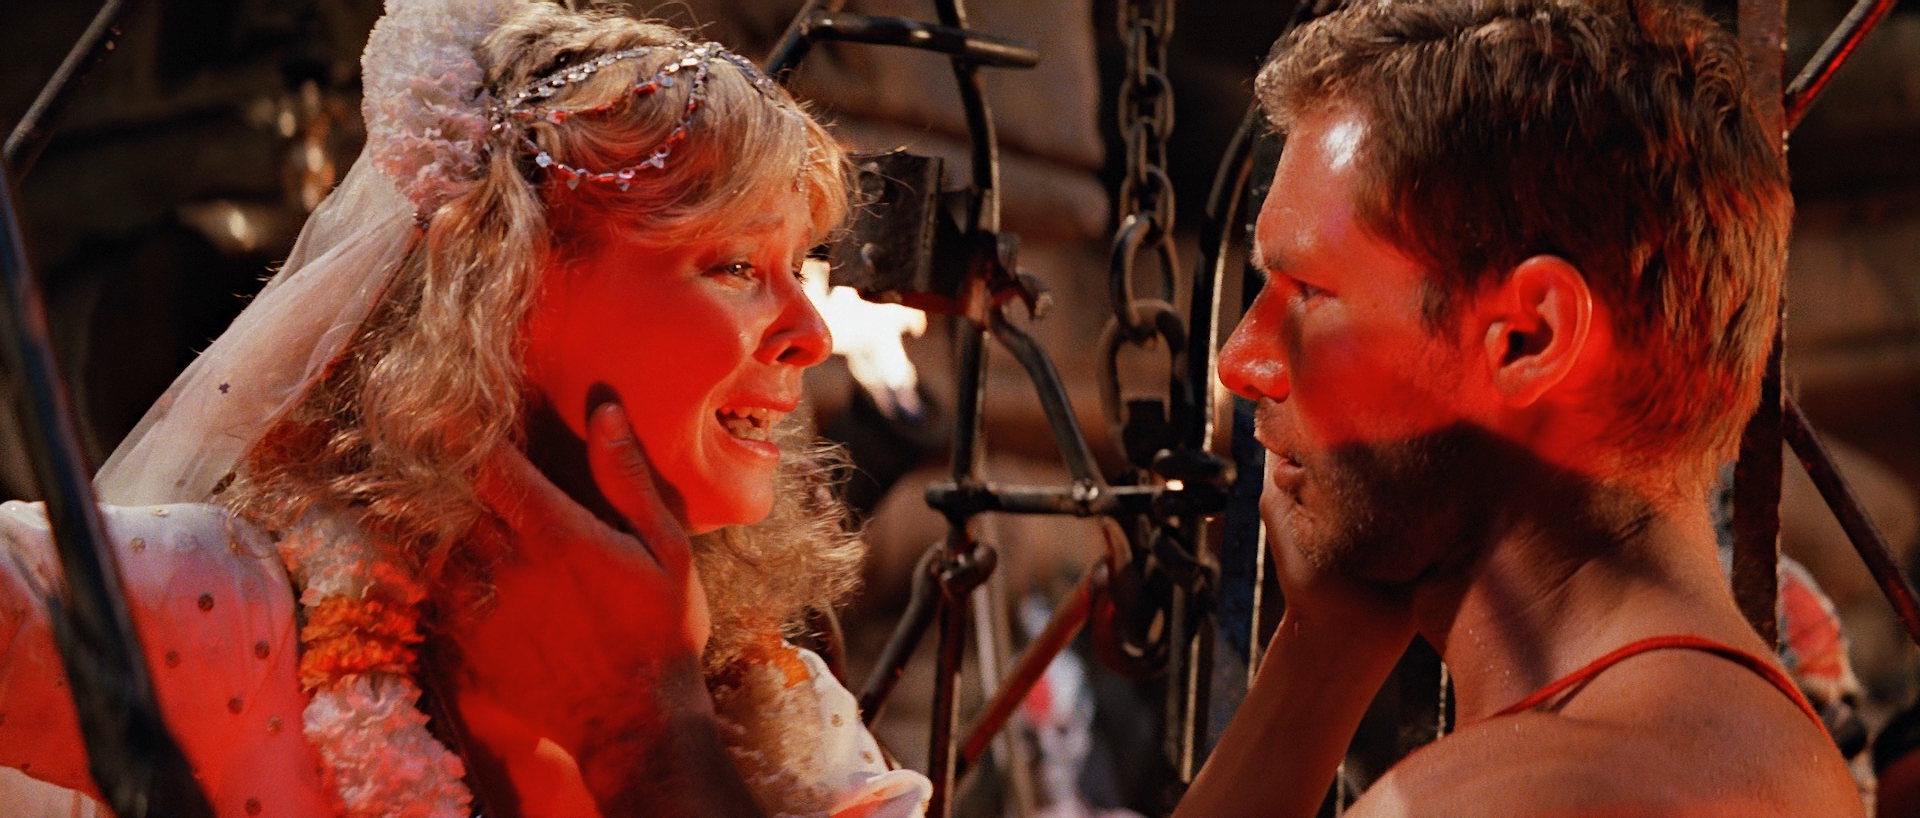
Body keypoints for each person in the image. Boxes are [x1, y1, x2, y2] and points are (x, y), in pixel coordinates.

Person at [0, 1, 932, 816]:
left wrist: (650, 732)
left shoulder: (784, 719)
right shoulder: (223, 615)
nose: (812, 332)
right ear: (510, 288)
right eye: (734, 266)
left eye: (797, 269)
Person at [1177, 1, 1865, 815]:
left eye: (1307, 291)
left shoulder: (1497, 800)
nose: (1241, 361)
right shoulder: (1754, 744)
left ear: (1529, 337)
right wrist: (1321, 659)